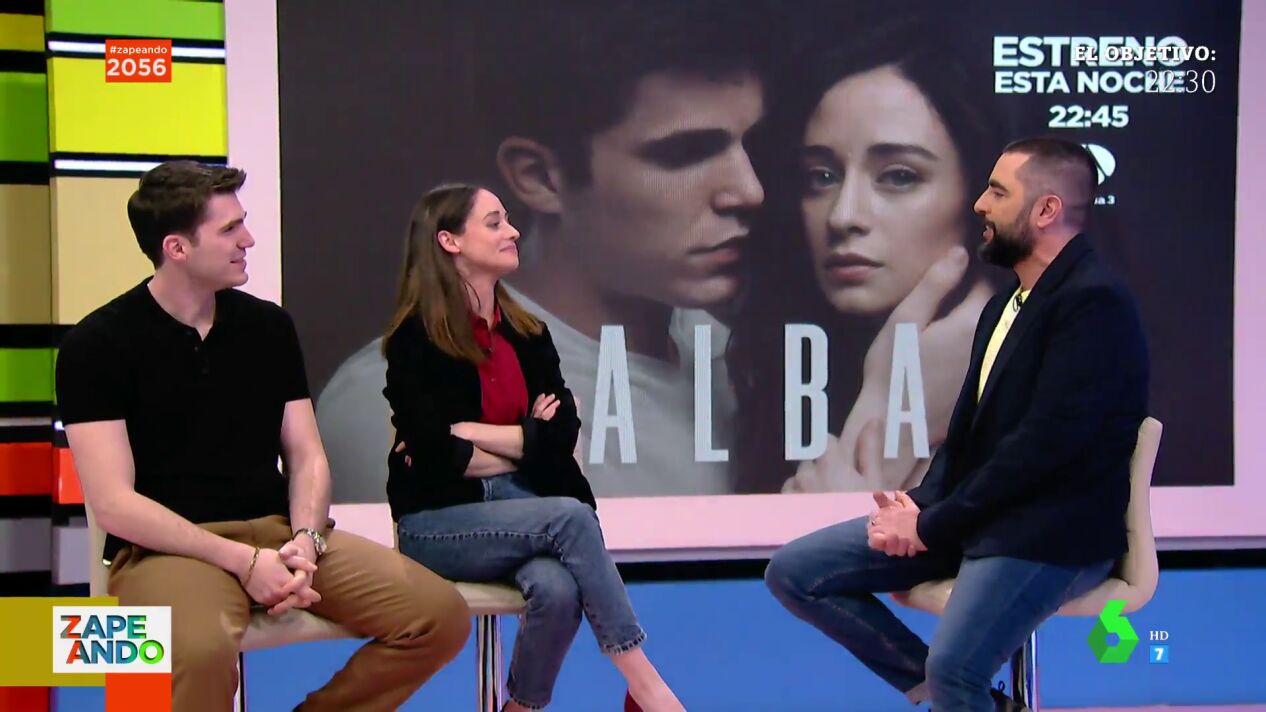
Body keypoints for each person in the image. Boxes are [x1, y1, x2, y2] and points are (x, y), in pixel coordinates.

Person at [55, 161, 471, 711]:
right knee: (198, 649)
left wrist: (306, 539)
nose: (248, 240)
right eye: (230, 229)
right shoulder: (95, 344)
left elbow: (306, 456)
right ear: (176, 248)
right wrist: (242, 561)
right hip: (170, 551)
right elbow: (114, 504)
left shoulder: (268, 326)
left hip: (280, 533)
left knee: (439, 616)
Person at [316, 0, 771, 501]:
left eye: (751, 144)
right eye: (686, 153)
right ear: (539, 177)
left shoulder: (735, 353)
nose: (749, 191)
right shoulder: (391, 401)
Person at [764, 137, 1150, 710]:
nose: (980, 205)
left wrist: (932, 525)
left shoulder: (1094, 303)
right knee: (796, 572)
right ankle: (975, 700)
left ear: (1045, 210)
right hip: (978, 520)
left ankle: (957, 690)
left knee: (956, 669)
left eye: (998, 192)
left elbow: (1042, 452)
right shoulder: (1004, 305)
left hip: (1050, 536)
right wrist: (919, 505)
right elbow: (967, 436)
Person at [384, 183, 685, 711]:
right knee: (569, 517)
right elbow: (432, 455)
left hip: (523, 510)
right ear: (450, 241)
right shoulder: (416, 339)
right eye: (494, 223)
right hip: (437, 523)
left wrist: (471, 433)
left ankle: (520, 708)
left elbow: (561, 434)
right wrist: (528, 440)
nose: (513, 231)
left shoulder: (528, 333)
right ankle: (646, 688)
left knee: (558, 590)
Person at [728, 12, 1007, 494]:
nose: (843, 216)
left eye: (899, 176)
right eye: (821, 177)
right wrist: (895, 401)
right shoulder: (767, 371)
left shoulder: (1042, 387)